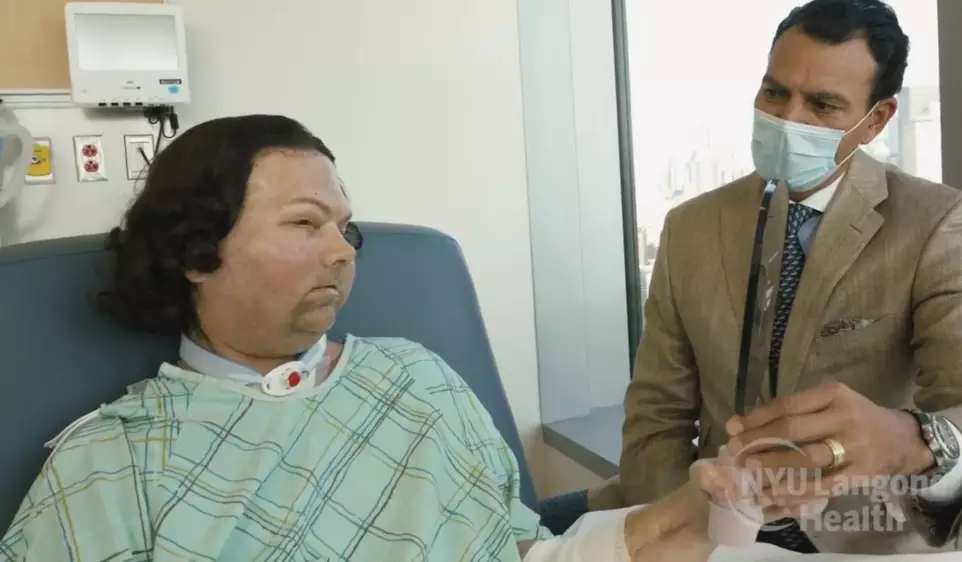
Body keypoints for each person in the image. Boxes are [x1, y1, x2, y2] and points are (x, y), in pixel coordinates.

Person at [0, 114, 785, 561]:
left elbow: (522, 553)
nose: (343, 252)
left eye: (344, 228)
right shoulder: (113, 462)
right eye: (305, 225)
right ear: (196, 252)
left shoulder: (416, 380)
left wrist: (690, 513)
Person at [593, 0, 962, 556]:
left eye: (823, 104)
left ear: (876, 120)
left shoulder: (937, 223)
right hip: (711, 530)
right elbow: (655, 420)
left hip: (871, 541)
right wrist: (677, 528)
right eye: (775, 92)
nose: (789, 119)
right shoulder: (690, 228)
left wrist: (908, 440)